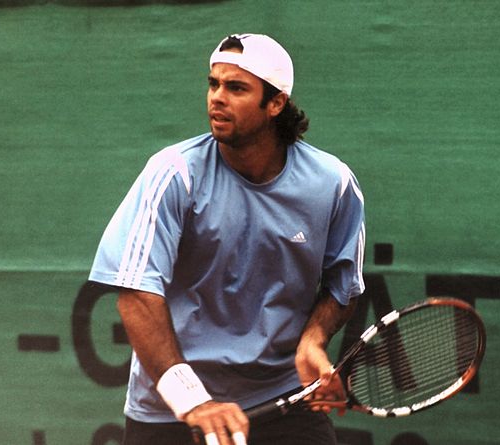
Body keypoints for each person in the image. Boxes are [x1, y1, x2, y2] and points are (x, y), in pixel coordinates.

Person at [89, 33, 366, 445]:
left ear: (276, 104)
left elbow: (344, 286)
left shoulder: (333, 184)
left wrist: (313, 340)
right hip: (174, 413)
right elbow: (135, 293)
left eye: (236, 88)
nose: (216, 98)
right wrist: (194, 401)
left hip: (285, 400)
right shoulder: (174, 174)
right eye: (213, 83)